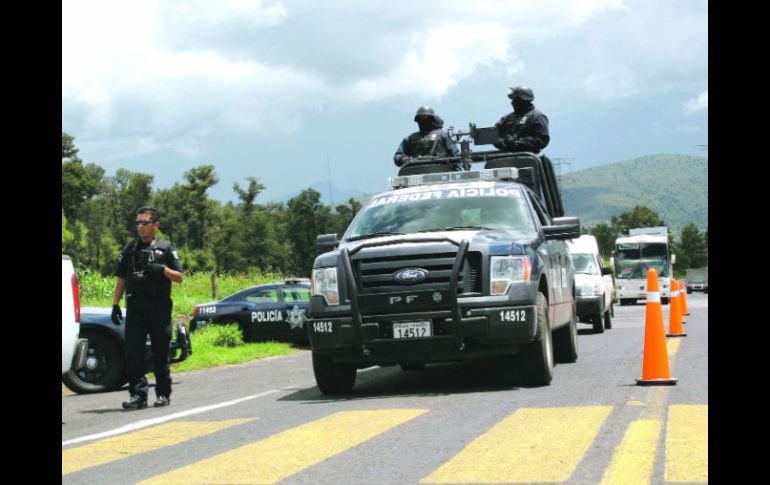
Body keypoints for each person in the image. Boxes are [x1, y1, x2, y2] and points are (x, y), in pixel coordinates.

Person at [111, 207, 184, 410]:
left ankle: (163, 394)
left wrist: (162, 269)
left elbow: (179, 277)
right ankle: (138, 395)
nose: (140, 227)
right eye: (138, 223)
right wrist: (115, 304)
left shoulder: (165, 248)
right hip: (135, 306)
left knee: (161, 350)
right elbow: (122, 278)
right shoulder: (130, 248)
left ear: (155, 225)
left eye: (144, 223)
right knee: (134, 351)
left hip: (159, 306)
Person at [394, 106, 460, 167]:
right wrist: (404, 159)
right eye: (420, 119)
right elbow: (398, 156)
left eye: (426, 118)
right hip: (417, 171)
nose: (423, 121)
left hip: (442, 170)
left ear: (432, 119)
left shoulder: (444, 134)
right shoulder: (410, 139)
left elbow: (455, 155)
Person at [494, 86, 550, 154]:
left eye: (516, 99)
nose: (512, 102)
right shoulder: (507, 118)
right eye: (512, 99)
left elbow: (542, 140)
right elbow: (494, 134)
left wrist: (518, 143)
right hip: (506, 157)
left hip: (529, 158)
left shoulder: (537, 116)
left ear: (524, 100)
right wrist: (502, 142)